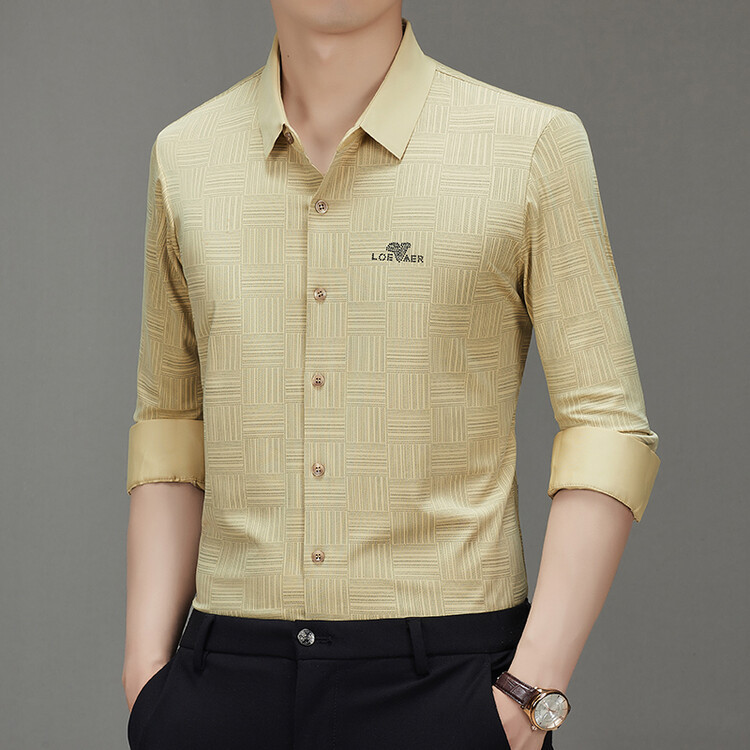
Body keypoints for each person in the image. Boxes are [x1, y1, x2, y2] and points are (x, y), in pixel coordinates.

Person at [122, 2, 661, 749]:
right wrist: (146, 678)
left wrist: (528, 694)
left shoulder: (529, 145)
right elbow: (169, 425)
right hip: (222, 684)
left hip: (450, 685)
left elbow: (608, 430)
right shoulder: (185, 155)